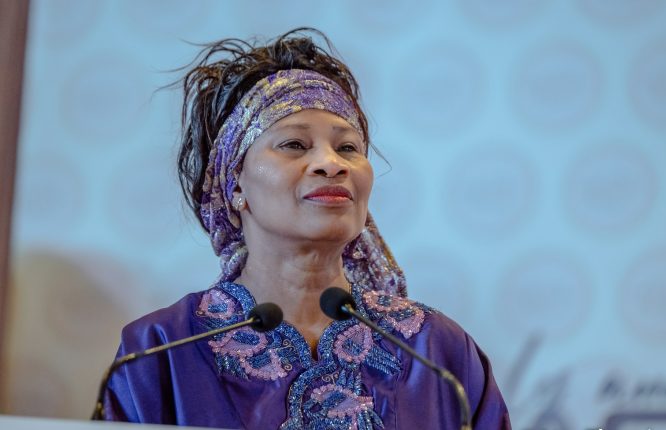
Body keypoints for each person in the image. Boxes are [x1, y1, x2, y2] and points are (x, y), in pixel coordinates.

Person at [101, 28, 511, 430]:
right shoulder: (162, 352)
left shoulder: (437, 353)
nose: (332, 164)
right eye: (294, 144)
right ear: (234, 185)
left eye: (348, 147)